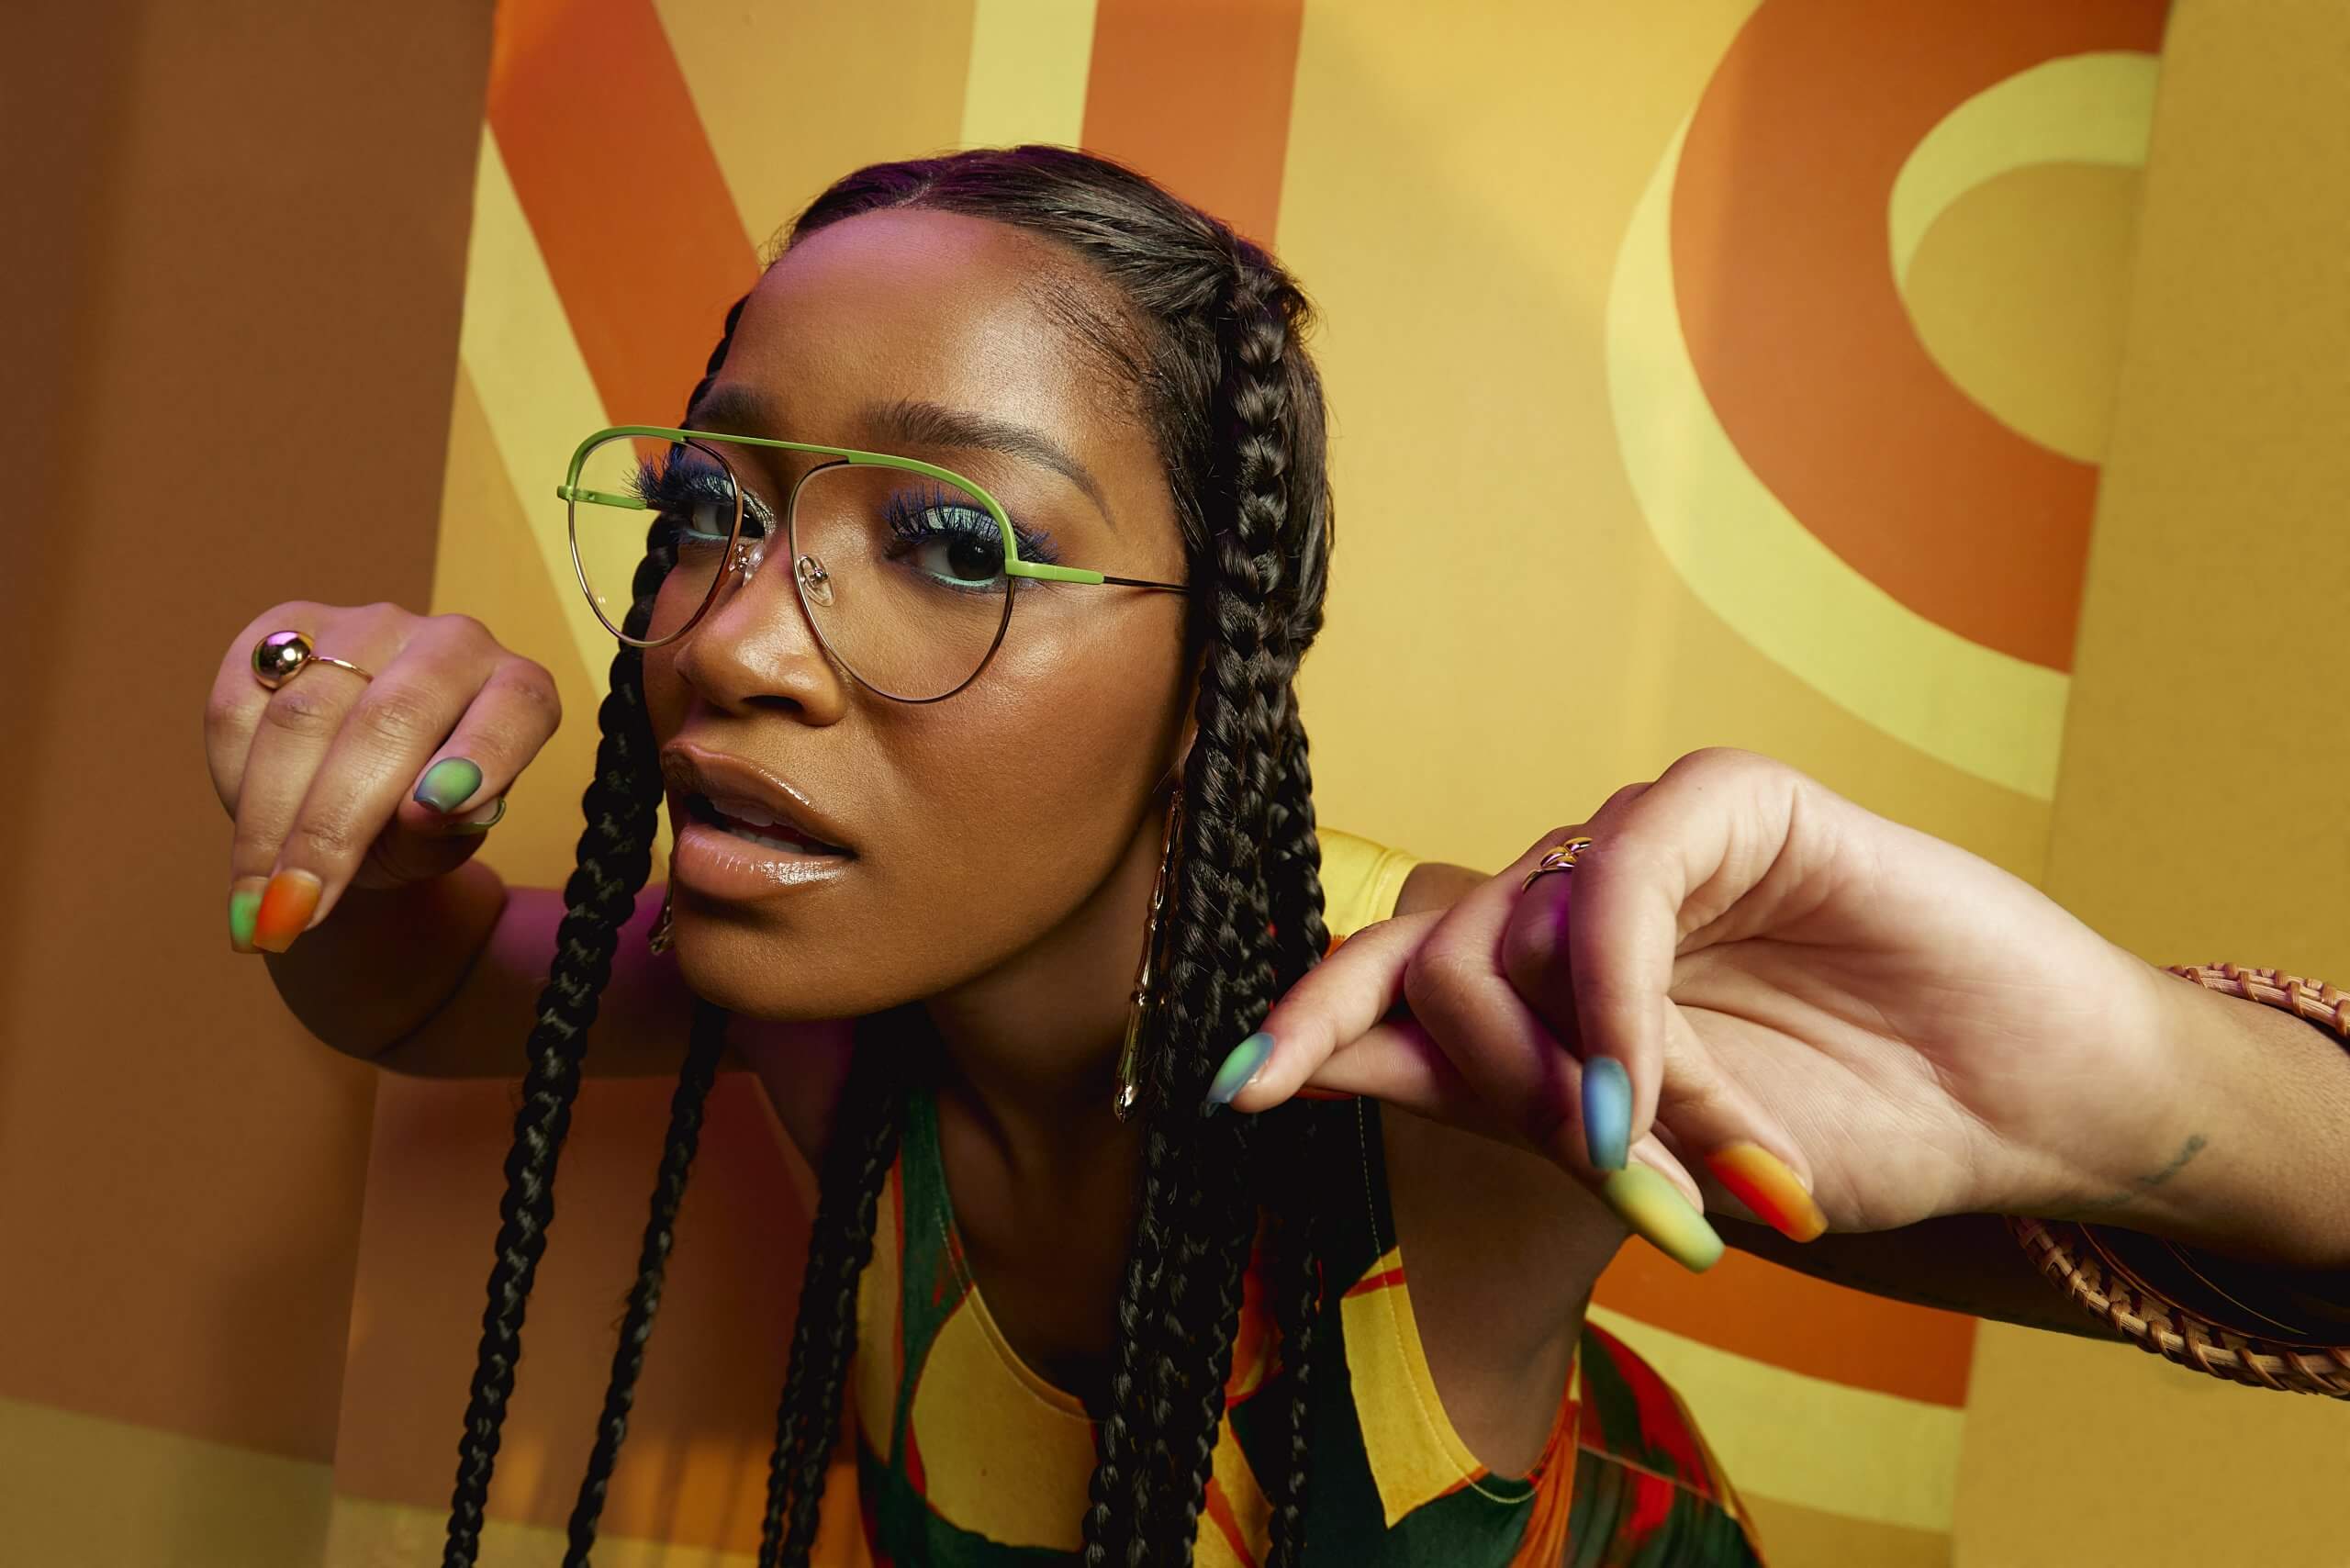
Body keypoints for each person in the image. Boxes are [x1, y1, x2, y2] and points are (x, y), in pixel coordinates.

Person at [204, 147, 2350, 1568]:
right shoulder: (828, 1001)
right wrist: (364, 812)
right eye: (706, 508)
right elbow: (423, 982)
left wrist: (2135, 1088)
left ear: (1218, 671)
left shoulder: (1450, 1041)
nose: (736, 636)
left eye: (955, 541)